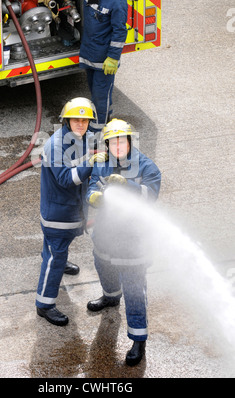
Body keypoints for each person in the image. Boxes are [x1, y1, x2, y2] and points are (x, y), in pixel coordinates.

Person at [86, 118, 161, 366]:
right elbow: (91, 185)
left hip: (133, 240)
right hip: (106, 234)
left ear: (129, 141)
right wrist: (93, 196)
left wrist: (127, 185)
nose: (117, 146)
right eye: (112, 142)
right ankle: (110, 297)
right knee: (103, 265)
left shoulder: (147, 167)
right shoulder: (102, 163)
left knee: (134, 290)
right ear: (107, 144)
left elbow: (149, 196)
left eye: (121, 140)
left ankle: (139, 339)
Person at [36, 97, 107, 326]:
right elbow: (67, 178)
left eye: (85, 120)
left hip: (70, 211)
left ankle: (58, 258)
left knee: (57, 249)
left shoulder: (83, 138)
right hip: (58, 214)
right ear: (66, 120)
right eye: (76, 120)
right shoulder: (56, 145)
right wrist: (91, 165)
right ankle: (44, 304)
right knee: (55, 255)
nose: (81, 124)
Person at [49, 0, 128, 134]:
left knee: (100, 95)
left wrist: (113, 58)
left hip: (104, 57)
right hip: (89, 52)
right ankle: (106, 118)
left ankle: (97, 133)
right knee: (96, 91)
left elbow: (120, 31)